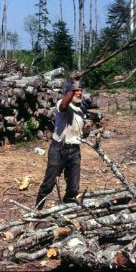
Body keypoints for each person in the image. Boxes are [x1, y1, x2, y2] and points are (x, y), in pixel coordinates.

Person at [35, 80, 90, 209]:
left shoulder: (81, 110)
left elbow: (81, 133)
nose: (79, 93)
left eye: (80, 90)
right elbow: (64, 105)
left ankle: (66, 208)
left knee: (74, 187)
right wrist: (72, 88)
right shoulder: (62, 104)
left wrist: (86, 131)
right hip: (58, 149)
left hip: (75, 150)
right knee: (49, 184)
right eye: (76, 90)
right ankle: (37, 210)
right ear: (69, 92)